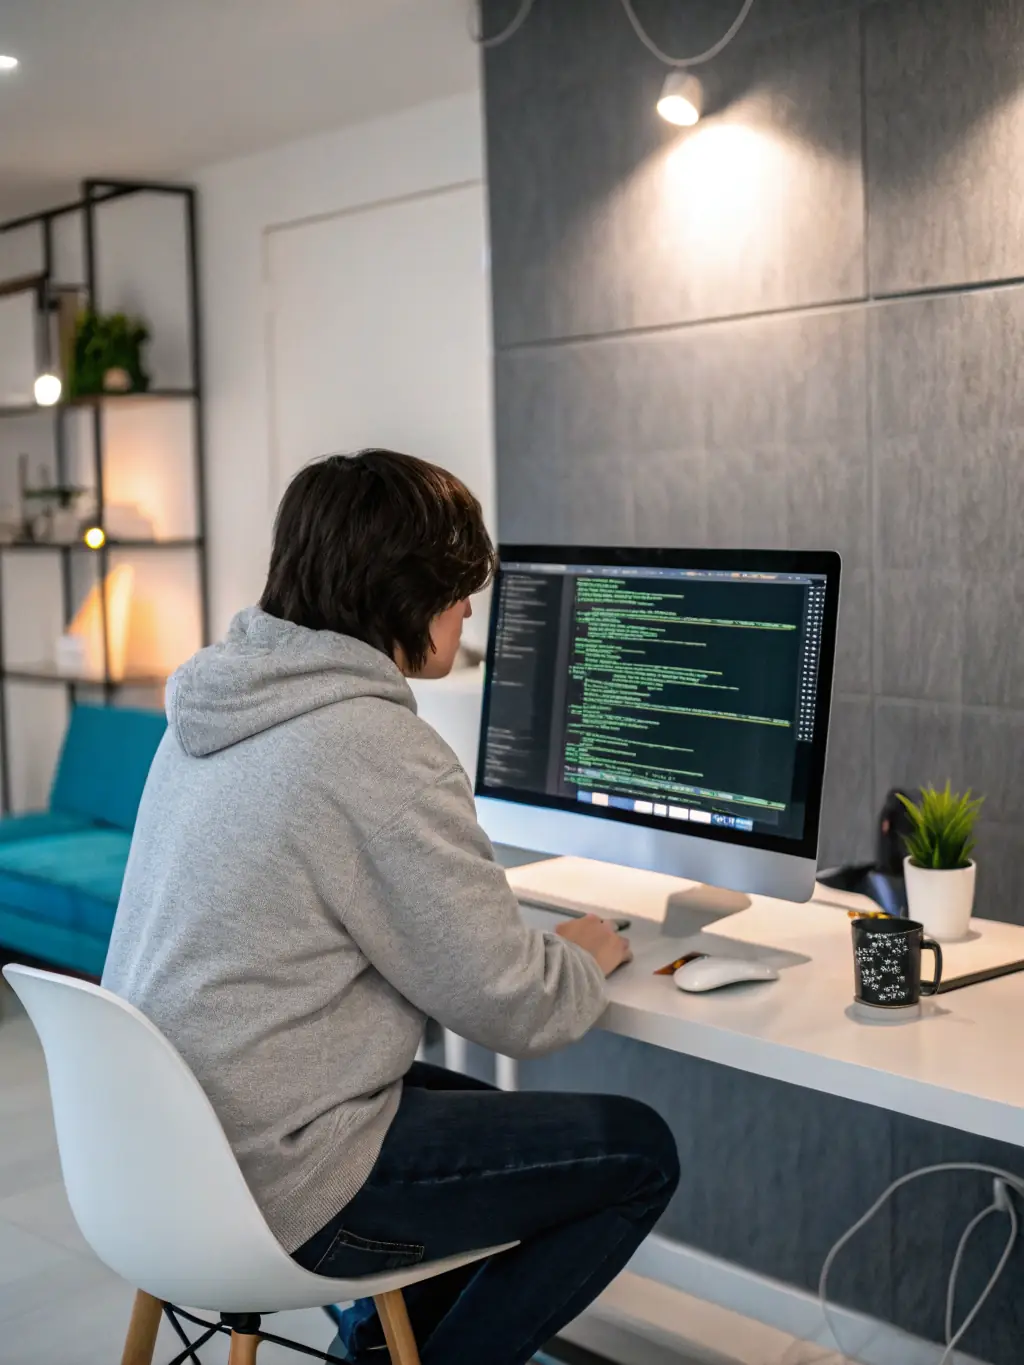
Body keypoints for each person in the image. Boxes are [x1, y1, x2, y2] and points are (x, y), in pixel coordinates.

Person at [103, 449, 680, 1365]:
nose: (466, 612)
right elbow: (514, 1004)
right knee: (636, 1151)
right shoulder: (371, 744)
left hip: (155, 1159)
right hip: (280, 1179)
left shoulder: (211, 711)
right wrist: (584, 951)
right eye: (459, 591)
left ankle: (378, 1344)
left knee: (481, 1118)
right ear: (405, 594)